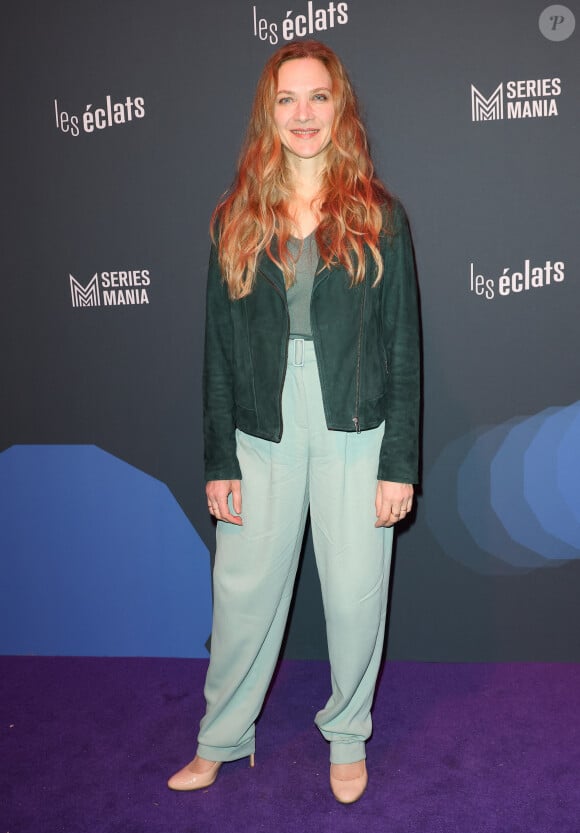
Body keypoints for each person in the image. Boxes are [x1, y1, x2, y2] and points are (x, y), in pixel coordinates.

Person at [168, 39, 420, 804]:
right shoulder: (236, 217)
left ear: (338, 107)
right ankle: (221, 737)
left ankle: (348, 734)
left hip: (355, 422)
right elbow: (216, 347)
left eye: (317, 97)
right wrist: (218, 456)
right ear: (267, 114)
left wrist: (398, 462)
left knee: (353, 593)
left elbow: (403, 344)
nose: (303, 113)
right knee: (241, 592)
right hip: (259, 425)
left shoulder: (381, 216)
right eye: (287, 99)